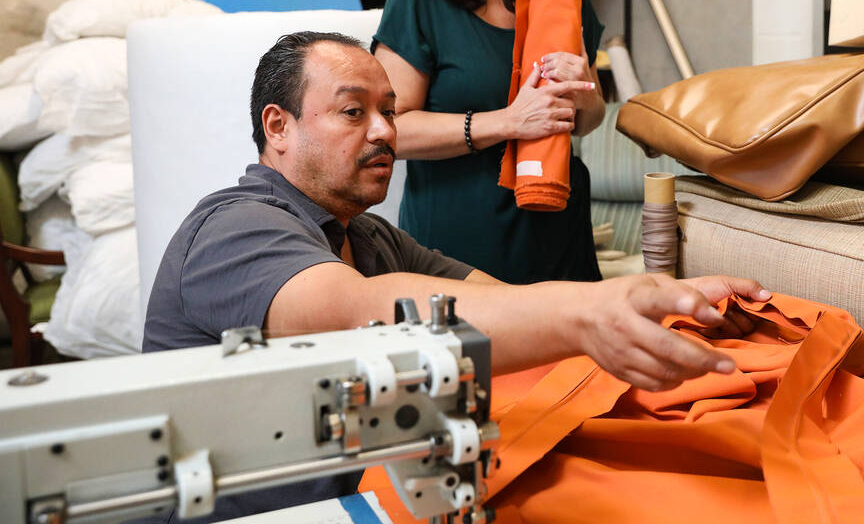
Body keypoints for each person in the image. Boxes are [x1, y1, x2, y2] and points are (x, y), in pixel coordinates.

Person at [142, 31, 769, 521]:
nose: (386, 132)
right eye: (353, 112)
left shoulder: (367, 236)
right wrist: (586, 316)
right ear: (279, 128)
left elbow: (500, 303)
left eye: (388, 111)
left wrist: (656, 300)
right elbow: (360, 312)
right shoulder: (234, 227)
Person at [372, 0, 605, 284]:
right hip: (456, 252)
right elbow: (389, 130)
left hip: (557, 238)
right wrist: (507, 122)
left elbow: (590, 117)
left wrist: (585, 98)